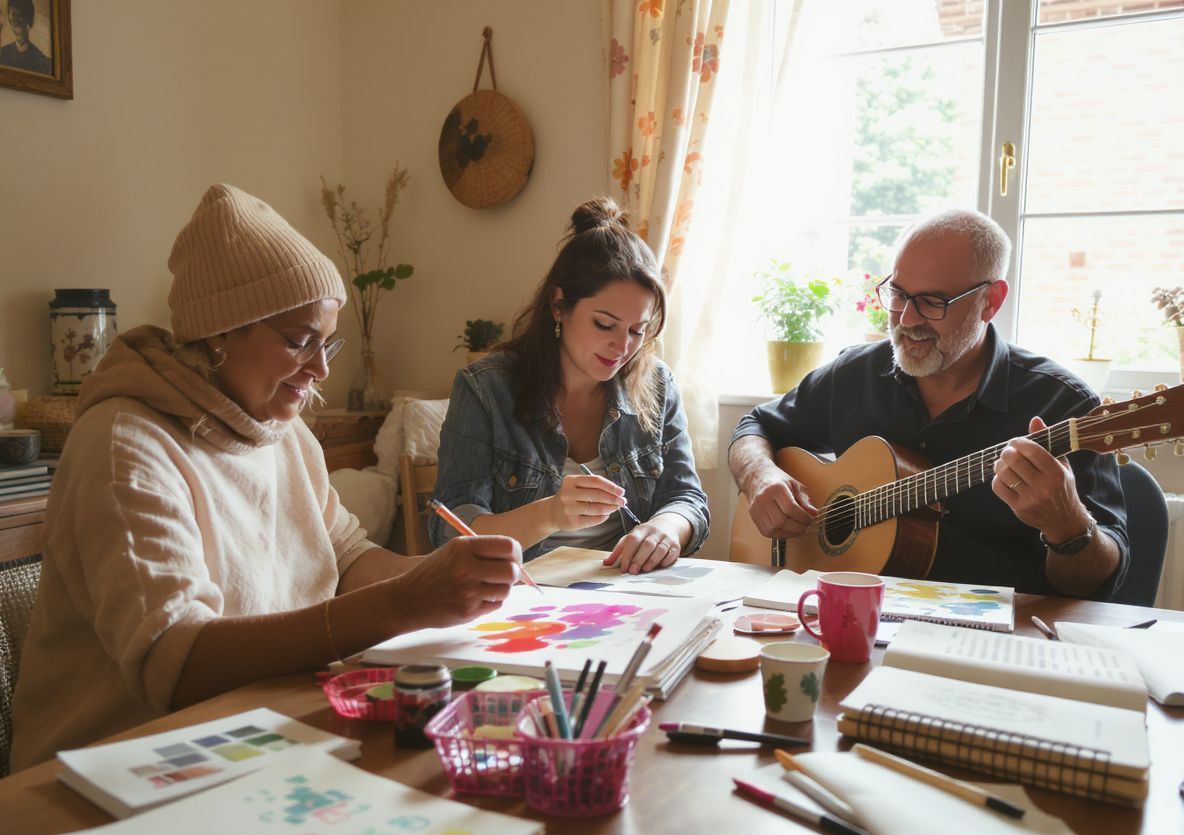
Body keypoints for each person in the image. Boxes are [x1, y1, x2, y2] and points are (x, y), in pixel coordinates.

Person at [10, 184, 525, 770]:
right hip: (112, 774)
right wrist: (405, 603)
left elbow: (347, 554)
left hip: (254, 738)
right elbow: (175, 663)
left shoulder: (279, 430)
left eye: (328, 341)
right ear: (219, 332)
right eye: (301, 341)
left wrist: (441, 581)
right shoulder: (126, 444)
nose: (322, 368)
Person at [729, 208, 1128, 598]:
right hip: (853, 621)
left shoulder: (1066, 406)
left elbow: (1096, 583)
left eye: (933, 302)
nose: (907, 319)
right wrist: (760, 475)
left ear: (990, 301)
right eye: (899, 294)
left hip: (1000, 638)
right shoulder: (855, 373)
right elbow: (756, 426)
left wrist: (1069, 527)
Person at [429, 196, 709, 573]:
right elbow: (451, 529)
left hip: (625, 593)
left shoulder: (657, 384)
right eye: (605, 325)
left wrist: (666, 528)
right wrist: (548, 514)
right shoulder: (486, 388)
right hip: (519, 597)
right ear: (559, 306)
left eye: (637, 331)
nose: (622, 347)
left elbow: (687, 498)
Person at [0, 0, 51, 74]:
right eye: (12, 14)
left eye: (19, 14)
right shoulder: (3, 54)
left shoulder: (42, 61)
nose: (15, 21)